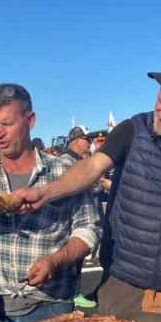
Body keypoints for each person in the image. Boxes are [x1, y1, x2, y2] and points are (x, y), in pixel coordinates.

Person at [16, 59, 161, 321]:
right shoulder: (134, 129)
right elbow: (91, 168)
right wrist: (45, 193)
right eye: (160, 102)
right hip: (121, 283)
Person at [0, 83, 101, 322]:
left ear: (30, 120)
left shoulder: (65, 173)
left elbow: (89, 228)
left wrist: (56, 260)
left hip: (52, 309)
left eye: (7, 124)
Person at [59, 125, 99, 308]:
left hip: (78, 217)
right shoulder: (67, 161)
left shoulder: (76, 160)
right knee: (72, 258)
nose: (89, 143)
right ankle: (73, 294)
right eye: (87, 140)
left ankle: (75, 292)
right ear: (77, 141)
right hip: (71, 219)